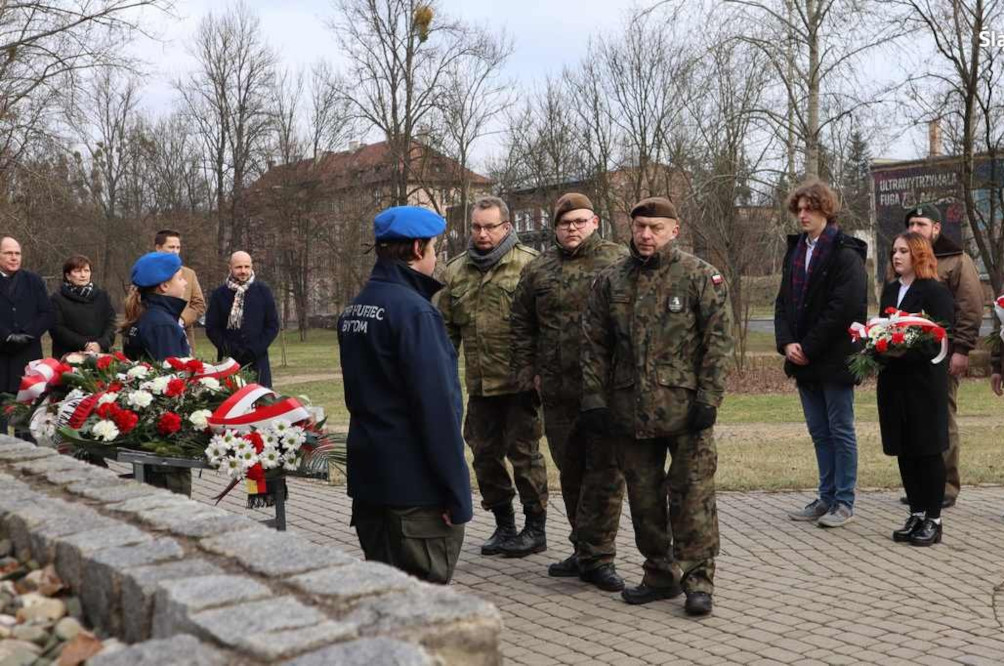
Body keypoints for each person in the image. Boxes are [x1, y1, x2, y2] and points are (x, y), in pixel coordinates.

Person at [581, 197, 732, 617]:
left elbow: (718, 343)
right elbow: (594, 346)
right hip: (630, 411)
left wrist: (709, 398)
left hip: (687, 411)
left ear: (674, 230)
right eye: (640, 227)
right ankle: (659, 573)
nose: (646, 235)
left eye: (656, 228)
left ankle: (699, 581)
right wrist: (594, 400)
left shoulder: (700, 276)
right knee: (645, 499)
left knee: (693, 497)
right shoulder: (612, 280)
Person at [338, 205, 472, 584]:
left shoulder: (356, 308)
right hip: (415, 491)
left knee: (383, 596)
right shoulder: (415, 313)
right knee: (420, 605)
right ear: (417, 249)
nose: (435, 257)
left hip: (371, 481)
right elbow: (437, 409)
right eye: (434, 248)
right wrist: (456, 492)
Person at [510, 193, 628, 591]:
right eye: (565, 223)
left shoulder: (617, 261)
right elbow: (522, 325)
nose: (572, 228)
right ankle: (584, 550)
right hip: (558, 393)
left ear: (594, 221)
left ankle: (600, 557)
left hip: (605, 393)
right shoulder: (538, 269)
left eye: (580, 221)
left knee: (606, 475)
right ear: (555, 227)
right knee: (573, 472)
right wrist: (529, 374)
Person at [438, 196, 548, 558]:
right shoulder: (456, 271)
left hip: (520, 384)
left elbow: (543, 326)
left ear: (506, 227)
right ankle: (504, 525)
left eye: (490, 227)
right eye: (476, 227)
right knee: (483, 456)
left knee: (524, 456)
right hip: (481, 385)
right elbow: (447, 332)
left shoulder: (531, 266)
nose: (482, 234)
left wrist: (538, 374)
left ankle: (535, 528)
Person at [776, 180, 867, 528]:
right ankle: (825, 497)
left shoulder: (846, 252)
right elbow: (783, 302)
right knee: (819, 431)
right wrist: (787, 343)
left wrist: (808, 347)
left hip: (833, 357)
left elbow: (843, 309)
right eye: (798, 209)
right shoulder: (796, 250)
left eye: (808, 208)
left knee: (840, 430)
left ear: (825, 210)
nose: (802, 215)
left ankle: (844, 501)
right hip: (802, 358)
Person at [903, 204, 983, 508]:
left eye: (921, 224)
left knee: (942, 419)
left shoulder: (957, 261)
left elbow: (971, 306)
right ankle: (920, 486)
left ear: (936, 229)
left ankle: (946, 487)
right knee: (914, 421)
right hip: (908, 358)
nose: (915, 229)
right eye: (911, 223)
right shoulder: (902, 260)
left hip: (944, 354)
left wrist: (961, 349)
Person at [878, 232, 954, 546]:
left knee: (927, 450)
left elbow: (941, 337)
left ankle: (934, 520)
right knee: (905, 450)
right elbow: (882, 329)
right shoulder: (891, 289)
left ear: (918, 255)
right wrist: (876, 347)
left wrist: (903, 349)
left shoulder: (933, 291)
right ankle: (917, 512)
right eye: (894, 251)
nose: (896, 256)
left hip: (923, 384)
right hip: (894, 383)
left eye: (903, 251)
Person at [120, 251, 191, 495]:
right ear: (164, 286)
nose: (184, 283)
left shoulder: (148, 317)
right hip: (165, 431)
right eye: (180, 278)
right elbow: (172, 380)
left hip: (149, 425)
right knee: (172, 492)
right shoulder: (162, 324)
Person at [0, 237, 55, 436]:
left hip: (27, 358)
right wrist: (6, 336)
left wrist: (27, 334)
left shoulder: (34, 281)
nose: (14, 258)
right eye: (8, 253)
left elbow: (47, 313)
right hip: (1, 358)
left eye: (17, 253)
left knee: (27, 423)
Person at [205, 252, 280, 387]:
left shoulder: (263, 291)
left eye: (247, 267)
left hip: (258, 360)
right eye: (239, 267)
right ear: (230, 268)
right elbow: (212, 328)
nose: (243, 271)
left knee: (262, 403)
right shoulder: (219, 294)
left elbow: (272, 325)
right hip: (229, 362)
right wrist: (229, 349)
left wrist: (255, 349)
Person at [49, 254, 117, 359]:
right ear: (68, 275)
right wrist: (85, 344)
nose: (83, 275)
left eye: (86, 271)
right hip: (68, 358)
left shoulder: (102, 296)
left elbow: (111, 324)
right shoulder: (57, 299)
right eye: (77, 271)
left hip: (100, 356)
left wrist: (100, 344)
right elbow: (57, 329)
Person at [154, 230, 205, 354]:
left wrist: (181, 319)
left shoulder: (189, 274)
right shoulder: (147, 273)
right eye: (171, 247)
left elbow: (199, 304)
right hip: (154, 335)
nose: (175, 251)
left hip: (184, 337)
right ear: (158, 248)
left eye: (178, 247)